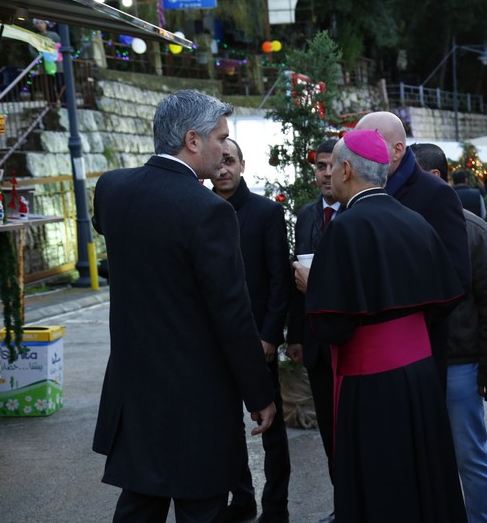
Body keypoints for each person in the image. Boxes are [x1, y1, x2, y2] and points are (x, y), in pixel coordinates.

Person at [91, 89, 276, 522]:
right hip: (196, 399)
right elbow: (231, 313)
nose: (224, 150)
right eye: (220, 138)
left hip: (133, 389)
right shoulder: (209, 211)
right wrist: (259, 393)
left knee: (139, 506)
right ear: (192, 140)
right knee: (202, 509)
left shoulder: (112, 188)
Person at [305, 129, 467, 522]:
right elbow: (446, 297)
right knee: (422, 474)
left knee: (383, 483)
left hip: (371, 382)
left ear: (346, 169)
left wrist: (312, 284)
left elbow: (333, 326)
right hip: (419, 375)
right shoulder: (414, 220)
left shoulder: (344, 228)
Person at [414, 142, 487, 522]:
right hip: (418, 363)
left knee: (470, 457)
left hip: (460, 365)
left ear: (433, 179)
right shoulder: (405, 225)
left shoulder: (474, 230)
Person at [354, 111, 471, 388]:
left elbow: (456, 278)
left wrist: (408, 326)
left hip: (417, 350)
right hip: (367, 348)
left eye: (369, 143)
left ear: (397, 150)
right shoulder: (360, 192)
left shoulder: (435, 194)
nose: (359, 154)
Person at [212, 138, 292, 523]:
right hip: (215, 343)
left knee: (271, 427)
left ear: (242, 164)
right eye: (219, 161)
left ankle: (276, 507)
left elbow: (281, 281)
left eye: (230, 161)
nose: (223, 169)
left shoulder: (266, 213)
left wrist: (270, 337)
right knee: (223, 428)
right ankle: (241, 499)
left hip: (258, 339)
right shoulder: (201, 210)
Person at [286, 139, 340, 523]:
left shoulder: (358, 211)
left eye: (331, 166)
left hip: (352, 341)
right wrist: (296, 337)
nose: (325, 173)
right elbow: (294, 281)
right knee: (330, 433)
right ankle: (345, 504)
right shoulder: (306, 215)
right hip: (314, 341)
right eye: (320, 166)